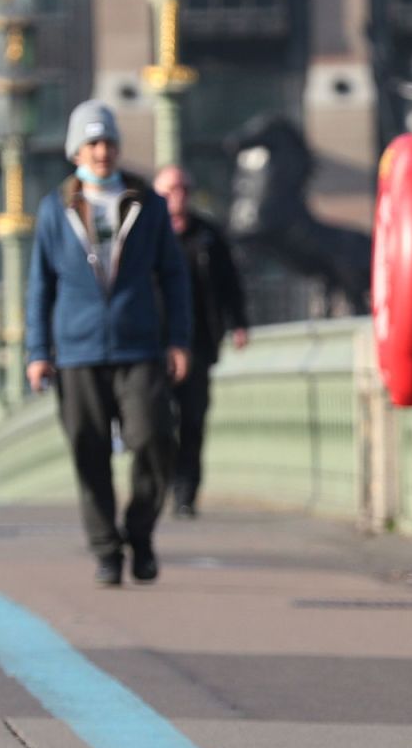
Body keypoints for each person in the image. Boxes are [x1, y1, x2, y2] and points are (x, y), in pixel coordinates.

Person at [25, 100, 191, 586]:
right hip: (76, 351)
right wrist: (37, 353)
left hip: (139, 346)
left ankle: (139, 533)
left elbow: (174, 278)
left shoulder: (148, 205)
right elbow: (40, 286)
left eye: (109, 142)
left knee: (154, 440)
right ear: (76, 150)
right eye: (92, 143)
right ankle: (105, 550)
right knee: (88, 451)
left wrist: (178, 340)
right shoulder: (55, 210)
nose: (102, 152)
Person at [152, 165, 249, 519]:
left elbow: (229, 282)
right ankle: (161, 479)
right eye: (168, 191)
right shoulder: (146, 237)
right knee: (155, 420)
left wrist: (238, 322)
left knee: (193, 419)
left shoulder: (207, 235)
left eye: (182, 189)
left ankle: (185, 493)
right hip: (153, 346)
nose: (176, 196)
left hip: (198, 344)